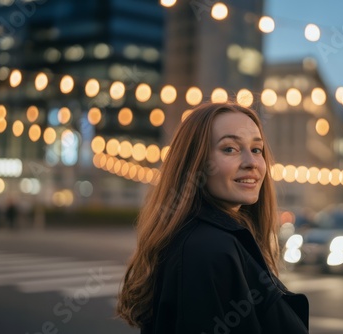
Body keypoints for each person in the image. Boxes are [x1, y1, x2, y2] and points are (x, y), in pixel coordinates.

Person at [117, 102, 309, 333]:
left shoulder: (214, 239)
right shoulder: (209, 249)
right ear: (194, 163)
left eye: (257, 149)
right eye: (230, 149)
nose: (252, 163)